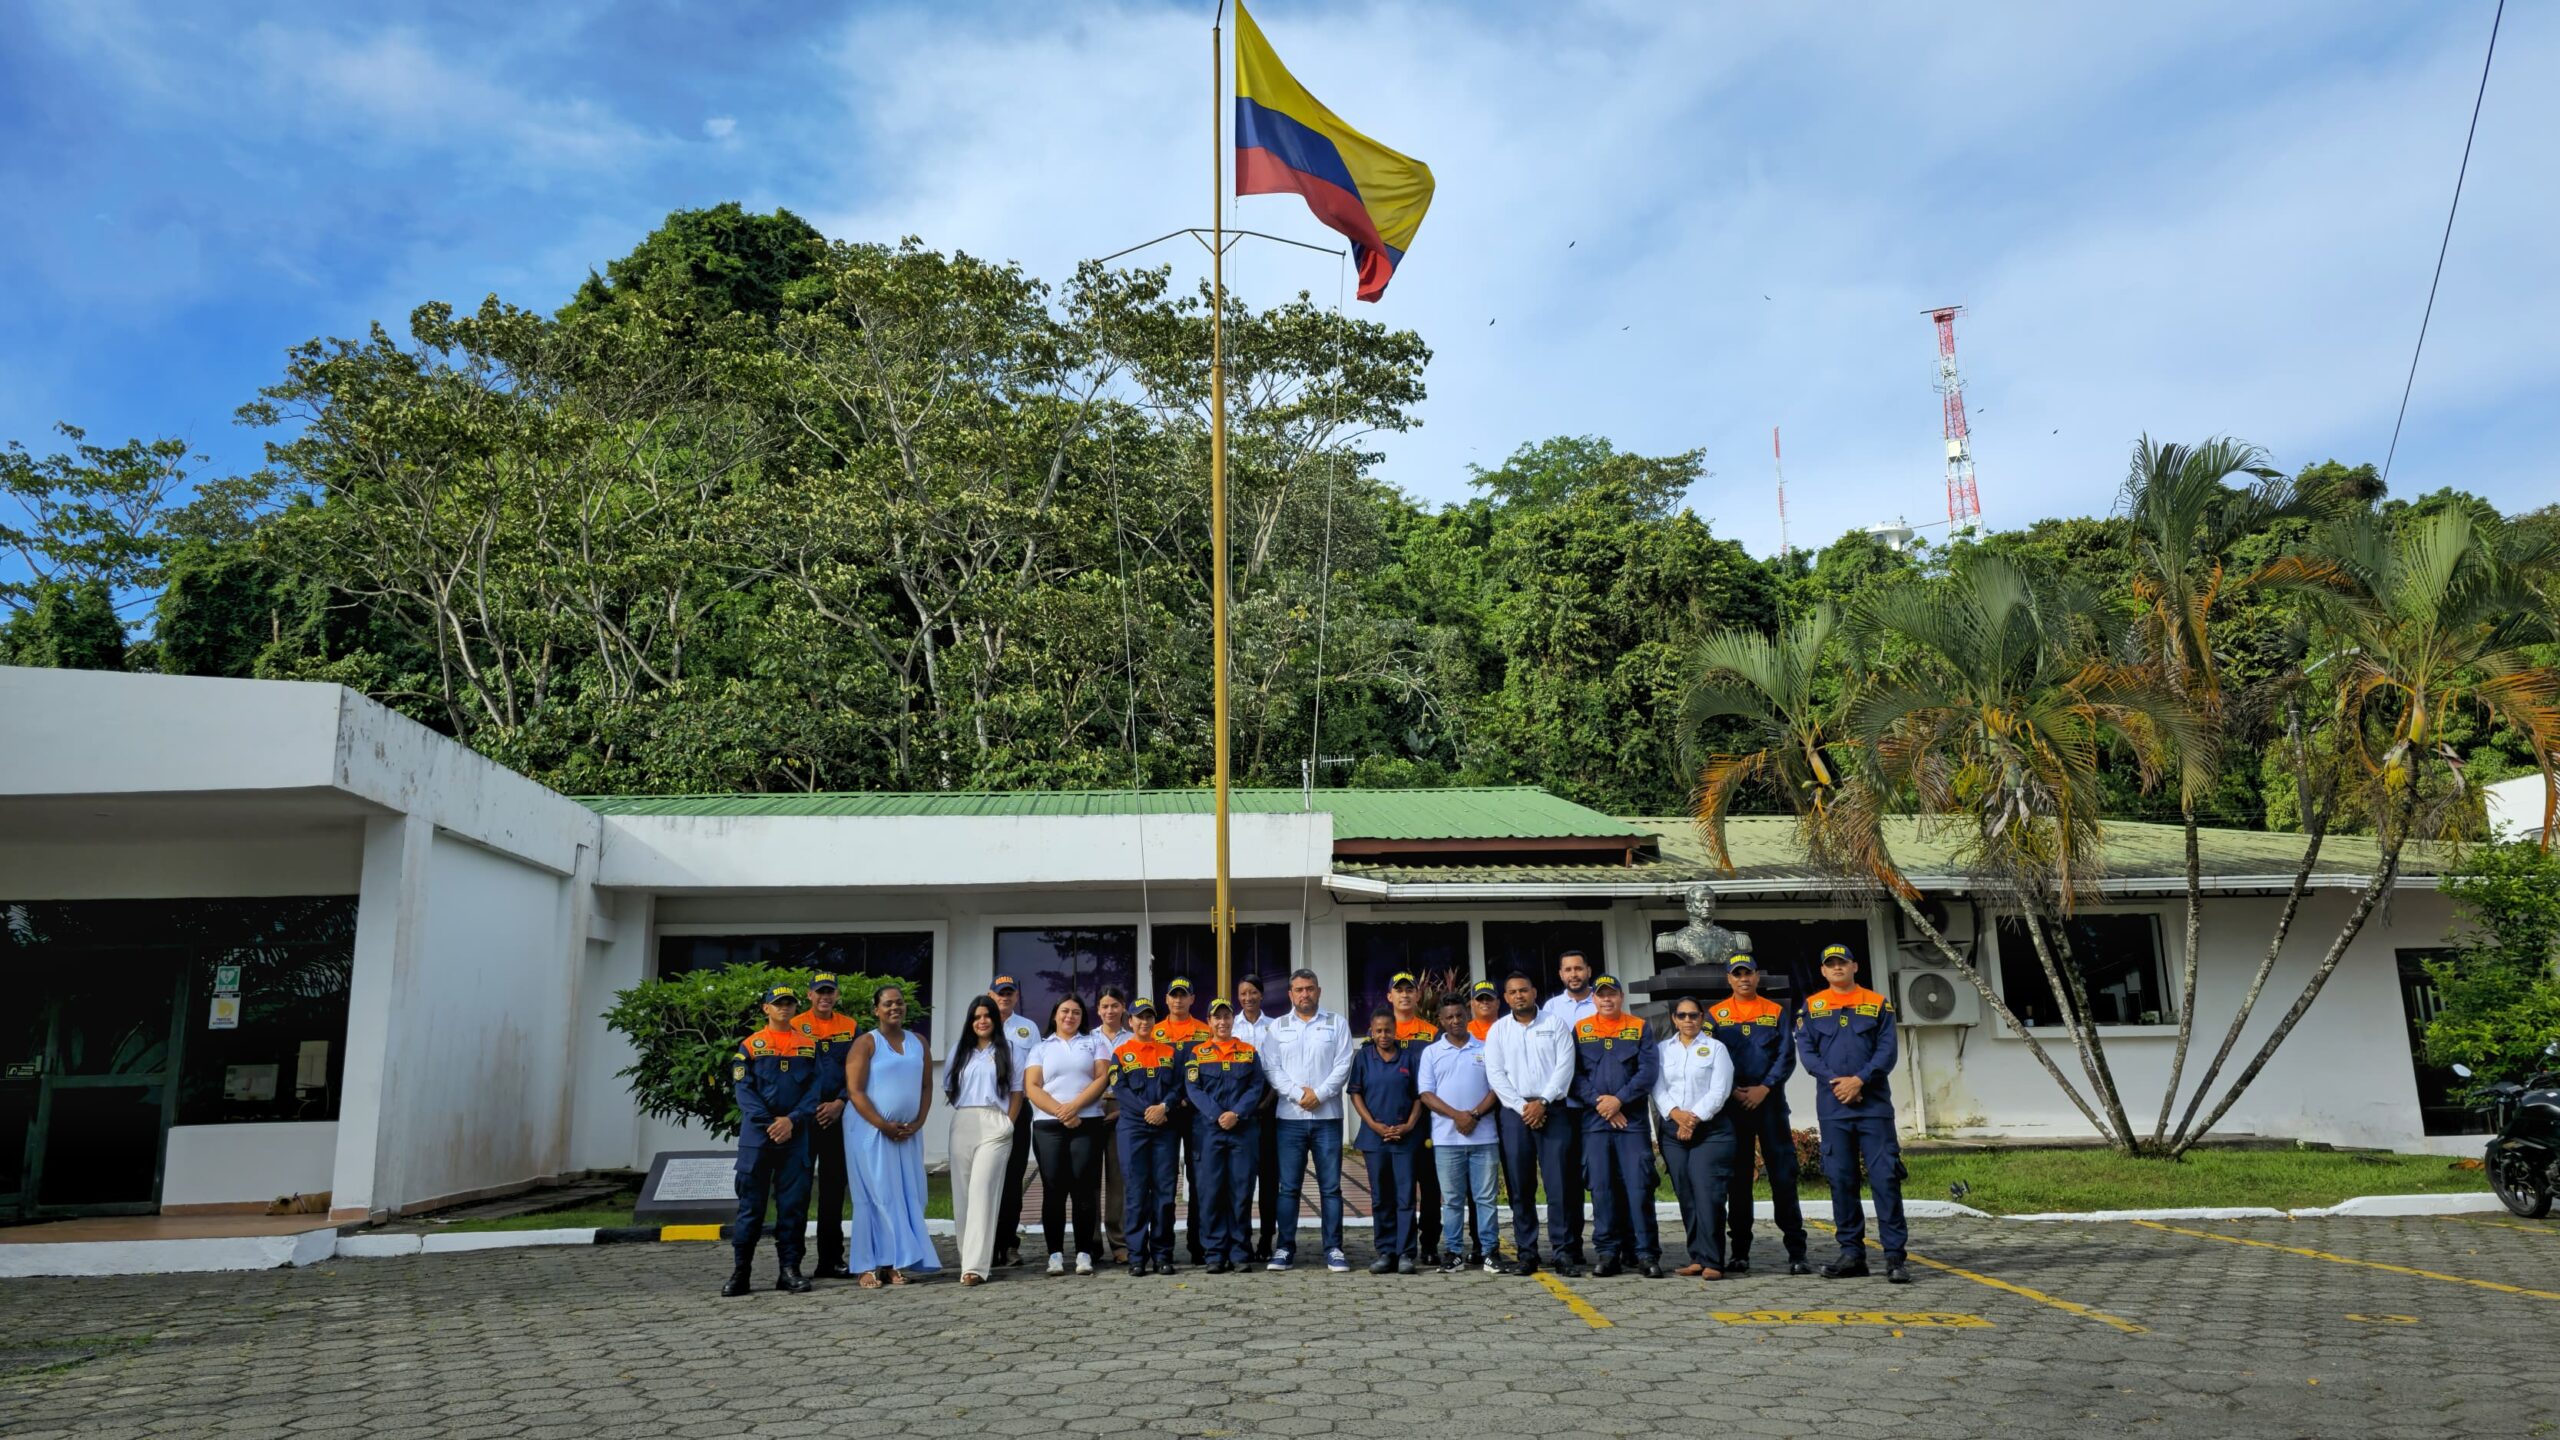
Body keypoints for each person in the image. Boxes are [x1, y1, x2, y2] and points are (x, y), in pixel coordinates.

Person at [1799, 943, 1910, 1284]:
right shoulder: (1812, 1007)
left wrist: (1860, 1080)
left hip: (1873, 1106)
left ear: (1854, 966)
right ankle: (1851, 1253)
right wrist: (1838, 1082)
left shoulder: (1877, 1004)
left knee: (1885, 1180)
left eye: (1842, 963)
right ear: (1823, 971)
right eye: (1830, 964)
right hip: (1834, 1108)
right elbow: (1807, 1051)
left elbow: (1887, 1051)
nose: (1837, 968)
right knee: (1841, 1180)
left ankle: (1894, 1257)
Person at [1710, 955, 1812, 1275]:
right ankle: (1739, 1252)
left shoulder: (1775, 1011)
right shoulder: (1715, 1015)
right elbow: (1711, 1058)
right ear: (1729, 979)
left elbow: (1785, 1056)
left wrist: (1764, 1088)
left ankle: (1797, 1252)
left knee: (1783, 1178)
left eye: (1748, 973)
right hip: (1734, 1106)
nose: (1743, 979)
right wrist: (1735, 1090)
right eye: (1736, 974)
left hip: (1769, 1105)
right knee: (1738, 1183)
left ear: (1757, 976)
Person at [724, 985, 821, 1297]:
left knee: (793, 1207)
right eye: (777, 1003)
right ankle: (741, 1273)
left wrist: (791, 1120)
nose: (784, 1008)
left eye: (789, 1003)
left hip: (795, 1137)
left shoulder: (808, 1046)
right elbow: (745, 1093)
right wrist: (772, 1124)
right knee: (750, 1208)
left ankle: (789, 1271)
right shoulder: (750, 1046)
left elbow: (814, 1091)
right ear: (766, 1009)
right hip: (758, 1139)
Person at [1258, 967, 1356, 1273]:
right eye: (1299, 989)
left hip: (1327, 1116)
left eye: (1310, 988)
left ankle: (1334, 1248)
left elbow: (1343, 1064)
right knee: (1288, 1187)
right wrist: (1297, 1094)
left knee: (1330, 1187)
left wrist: (1321, 1094)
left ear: (1319, 991)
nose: (1305, 994)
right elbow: (1271, 1067)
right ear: (1290, 994)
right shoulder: (1277, 1028)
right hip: (1289, 1118)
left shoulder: (1336, 1023)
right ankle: (1285, 1248)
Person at [1483, 971, 1580, 1277]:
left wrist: (1544, 1102)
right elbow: (1495, 1074)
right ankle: (1527, 1253)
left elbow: (1566, 1067)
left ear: (1534, 992)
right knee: (1520, 1185)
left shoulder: (1555, 1024)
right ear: (1506, 998)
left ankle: (1563, 1252)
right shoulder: (1498, 1031)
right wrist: (1522, 1106)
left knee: (1559, 1184)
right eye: (1512, 992)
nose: (1518, 996)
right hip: (1515, 1113)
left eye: (1523, 990)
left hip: (1554, 1110)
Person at [842, 982, 939, 1287]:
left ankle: (894, 1262)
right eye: (887, 1004)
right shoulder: (866, 1043)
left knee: (909, 1195)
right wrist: (883, 1125)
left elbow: (925, 1085)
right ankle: (867, 1265)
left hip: (907, 1133)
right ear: (876, 1010)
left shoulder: (918, 1041)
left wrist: (919, 1121)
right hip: (869, 1131)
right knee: (876, 1195)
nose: (894, 1008)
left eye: (899, 1003)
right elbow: (855, 1092)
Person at [1573, 975, 1663, 1279]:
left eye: (1612, 995)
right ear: (1594, 999)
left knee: (1639, 1187)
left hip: (1632, 1123)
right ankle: (1608, 1252)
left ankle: (1645, 1252)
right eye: (1601, 996)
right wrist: (1603, 1104)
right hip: (1596, 1123)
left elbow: (1648, 1071)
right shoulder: (1581, 1029)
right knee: (1602, 1189)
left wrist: (1619, 1101)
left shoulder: (1639, 1027)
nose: (1607, 1000)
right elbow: (1574, 1075)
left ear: (1621, 997)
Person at [1025, 994, 1112, 1276]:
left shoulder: (1094, 1042)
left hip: (1087, 1123)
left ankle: (1084, 1253)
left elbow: (1101, 1078)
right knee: (1054, 1189)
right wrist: (1061, 1112)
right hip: (1048, 1127)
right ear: (1055, 1015)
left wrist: (1075, 1107)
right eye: (1064, 1011)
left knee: (1084, 1190)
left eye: (1075, 1012)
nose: (1069, 1017)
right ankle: (1055, 1254)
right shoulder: (1040, 1047)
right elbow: (1033, 1086)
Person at [1418, 995, 1502, 1275]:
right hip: (1447, 1140)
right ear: (1440, 1021)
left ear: (1468, 1016)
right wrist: (1458, 1116)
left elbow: (1496, 1089)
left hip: (1484, 1137)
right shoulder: (1431, 1053)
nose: (1455, 1021)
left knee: (1486, 1199)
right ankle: (1453, 1252)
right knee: (1452, 1200)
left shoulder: (1485, 1049)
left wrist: (1474, 1115)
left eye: (1459, 1015)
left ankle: (1490, 1251)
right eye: (1449, 1017)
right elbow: (1427, 1095)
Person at [1654, 996, 1737, 1279]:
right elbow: (1657, 1086)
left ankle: (1714, 1259)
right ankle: (1697, 1257)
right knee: (1687, 1195)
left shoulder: (1716, 1048)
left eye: (1693, 1015)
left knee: (1708, 1194)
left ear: (1702, 1018)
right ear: (1674, 1019)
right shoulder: (1663, 1050)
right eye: (1682, 1015)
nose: (1688, 1020)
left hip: (1711, 1132)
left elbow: (1720, 1090)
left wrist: (1693, 1118)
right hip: (1673, 1129)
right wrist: (1676, 1114)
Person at [1185, 998, 1268, 1274]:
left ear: (1233, 1020)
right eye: (1216, 1017)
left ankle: (1240, 1252)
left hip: (1242, 1131)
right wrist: (1218, 1114)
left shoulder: (1247, 1052)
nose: (1222, 1022)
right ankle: (1215, 1253)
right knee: (1210, 1193)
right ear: (1208, 1021)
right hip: (1209, 1132)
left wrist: (1237, 1114)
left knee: (1240, 1192)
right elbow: (1193, 1089)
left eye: (1226, 1017)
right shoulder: (1197, 1053)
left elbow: (1256, 1087)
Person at [944, 994, 1021, 1286]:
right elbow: (950, 1088)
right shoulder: (959, 1051)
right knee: (962, 1194)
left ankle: (976, 1266)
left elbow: (1017, 1091)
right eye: (976, 1017)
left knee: (981, 1191)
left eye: (987, 1015)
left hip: (995, 1124)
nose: (982, 1021)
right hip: (964, 1121)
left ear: (995, 1018)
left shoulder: (1010, 1049)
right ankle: (967, 1258)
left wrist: (1008, 1123)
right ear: (970, 1021)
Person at [791, 971, 863, 1279]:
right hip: (803, 1121)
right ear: (809, 995)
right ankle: (791, 1262)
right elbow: (791, 1075)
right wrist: (808, 1108)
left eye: (830, 991)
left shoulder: (850, 1027)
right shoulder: (794, 1026)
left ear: (836, 994)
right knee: (797, 1191)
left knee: (833, 1191)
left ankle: (830, 1260)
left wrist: (841, 1102)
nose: (825, 996)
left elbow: (859, 1070)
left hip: (837, 1118)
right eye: (819, 992)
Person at [1109, 998, 1185, 1275]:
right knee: (1136, 1193)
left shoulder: (1170, 1052)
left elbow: (1178, 1086)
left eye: (1149, 1017)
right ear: (1130, 1021)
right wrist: (1149, 1111)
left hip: (1164, 1128)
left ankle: (1163, 1254)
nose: (1144, 1022)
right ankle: (1137, 1257)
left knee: (1165, 1194)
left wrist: (1164, 1108)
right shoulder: (1121, 1053)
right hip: (1134, 1129)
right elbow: (1121, 1091)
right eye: (1139, 1018)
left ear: (1155, 1021)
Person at [1345, 1008, 1423, 1275]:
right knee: (1381, 1197)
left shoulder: (1410, 1059)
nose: (1383, 1035)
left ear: (1395, 1030)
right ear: (1371, 1030)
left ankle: (1406, 1254)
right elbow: (1355, 1094)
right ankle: (1386, 1251)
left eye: (1388, 1030)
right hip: (1374, 1138)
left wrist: (1410, 1125)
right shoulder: (1363, 1058)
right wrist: (1373, 1125)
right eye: (1378, 1030)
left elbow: (1418, 1096)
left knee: (1405, 1197)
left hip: (1405, 1137)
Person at [1152, 976, 1214, 1266]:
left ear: (1192, 999)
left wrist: (1194, 1099)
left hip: (1197, 1113)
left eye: (1183, 995)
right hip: (1164, 1113)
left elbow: (1211, 1072)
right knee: (1165, 1181)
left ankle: (1199, 1246)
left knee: (1199, 1179)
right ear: (1166, 1000)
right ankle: (1162, 1249)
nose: (1178, 1000)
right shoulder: (1154, 1031)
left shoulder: (1205, 1031)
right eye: (1173, 995)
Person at [1386, 972, 1444, 1263]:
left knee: (1430, 1186)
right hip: (1392, 1121)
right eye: (1399, 990)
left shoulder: (1431, 1032)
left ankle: (1430, 1243)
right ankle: (1398, 1243)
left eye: (1410, 990)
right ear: (1390, 997)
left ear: (1418, 996)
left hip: (1426, 1121)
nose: (1405, 995)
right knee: (1397, 1187)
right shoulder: (1384, 1030)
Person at [990, 976, 1042, 1269]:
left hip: (1019, 1110)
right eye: (1000, 993)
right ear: (990, 994)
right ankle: (985, 1244)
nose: (1005, 998)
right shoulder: (980, 1023)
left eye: (1009, 993)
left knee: (1012, 1180)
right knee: (985, 1180)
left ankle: (1008, 1244)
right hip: (986, 1112)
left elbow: (1035, 1070)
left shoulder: (1028, 1028)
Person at [1232, 974, 1283, 1263]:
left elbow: (1279, 1069)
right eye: (1243, 993)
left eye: (1253, 992)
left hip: (1267, 1107)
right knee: (1242, 1179)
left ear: (1261, 995)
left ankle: (1266, 1237)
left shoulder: (1274, 1027)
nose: (1248, 998)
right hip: (1238, 1108)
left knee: (1268, 1178)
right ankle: (1241, 1240)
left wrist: (1264, 1104)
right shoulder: (1231, 1025)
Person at [1093, 986, 1140, 1265]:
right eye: (1104, 1006)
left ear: (1124, 1008)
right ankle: (1091, 1243)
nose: (1109, 1011)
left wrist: (1124, 1109)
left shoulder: (1133, 1038)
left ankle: (1119, 1242)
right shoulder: (1088, 1039)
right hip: (1091, 1109)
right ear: (1098, 1010)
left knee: (1118, 1180)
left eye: (1115, 1005)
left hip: (1124, 1110)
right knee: (1089, 1180)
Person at [1540, 950, 1600, 1031]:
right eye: (1568, 970)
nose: (1573, 975)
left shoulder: (1603, 1002)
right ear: (1561, 975)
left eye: (1578, 969)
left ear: (1589, 971)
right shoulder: (1551, 1006)